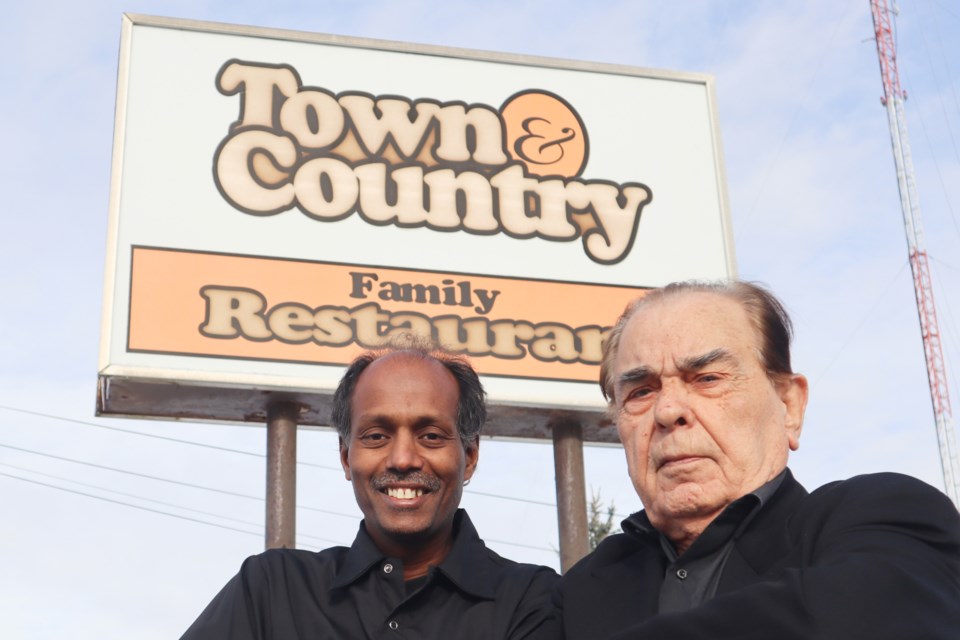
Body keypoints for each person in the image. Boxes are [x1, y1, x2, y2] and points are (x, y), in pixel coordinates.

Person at [554, 281, 960, 640]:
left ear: (789, 404)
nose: (667, 411)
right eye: (641, 392)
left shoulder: (883, 516)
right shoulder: (577, 593)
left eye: (707, 378)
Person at [181, 336, 557, 639]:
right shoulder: (271, 591)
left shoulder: (531, 601)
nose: (403, 459)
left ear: (470, 456)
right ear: (346, 457)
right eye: (377, 436)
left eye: (430, 435)